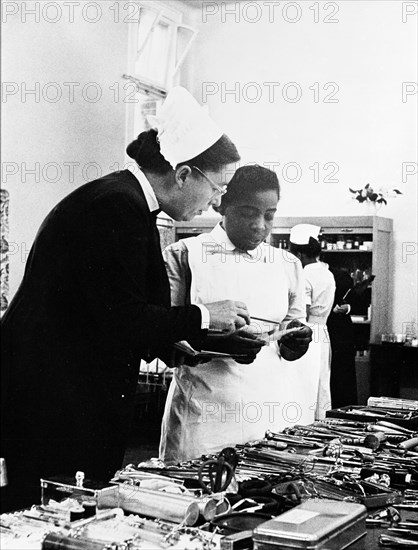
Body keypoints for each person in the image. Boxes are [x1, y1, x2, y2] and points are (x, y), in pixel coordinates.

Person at [0, 87, 249, 512]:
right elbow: (123, 319)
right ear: (184, 173)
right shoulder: (113, 208)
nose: (217, 201)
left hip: (68, 396)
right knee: (50, 518)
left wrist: (179, 346)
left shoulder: (129, 204)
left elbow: (114, 314)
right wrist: (206, 315)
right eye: (218, 188)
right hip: (52, 403)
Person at [159, 166, 313, 463]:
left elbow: (291, 330)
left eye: (269, 215)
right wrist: (217, 345)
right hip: (204, 415)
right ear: (223, 205)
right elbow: (162, 338)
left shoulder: (286, 264)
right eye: (247, 213)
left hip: (269, 410)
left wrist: (297, 339)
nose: (259, 226)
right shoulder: (185, 254)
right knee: (198, 496)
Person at [289, 225, 336, 420]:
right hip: (322, 331)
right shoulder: (327, 273)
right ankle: (321, 420)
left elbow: (302, 311)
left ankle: (306, 423)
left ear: (299, 254)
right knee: (321, 380)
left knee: (305, 381)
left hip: (306, 332)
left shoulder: (305, 274)